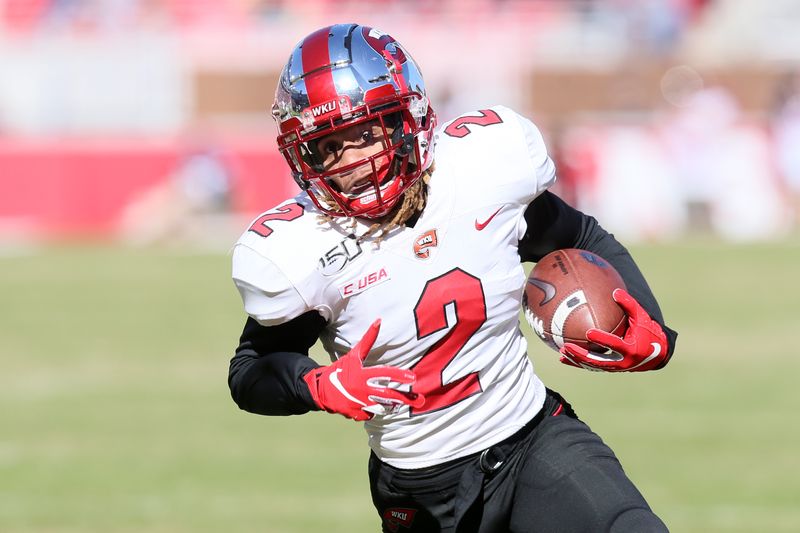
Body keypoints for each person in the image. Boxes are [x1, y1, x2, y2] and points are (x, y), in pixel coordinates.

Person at [228, 24, 678, 532]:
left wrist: (649, 324)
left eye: (365, 133)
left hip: (532, 441)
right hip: (418, 488)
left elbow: (581, 236)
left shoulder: (478, 176)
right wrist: (316, 385)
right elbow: (251, 371)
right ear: (302, 156)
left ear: (407, 119)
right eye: (329, 146)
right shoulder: (305, 247)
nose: (353, 161)